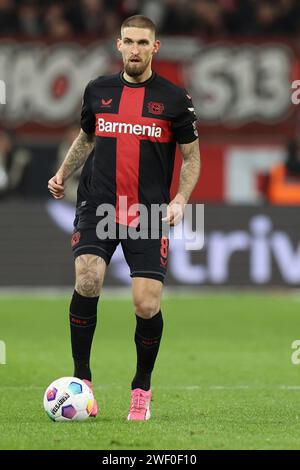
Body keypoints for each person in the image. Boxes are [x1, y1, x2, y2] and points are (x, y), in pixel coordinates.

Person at [48, 15, 200, 421]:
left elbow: (191, 157)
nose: (135, 49)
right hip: (98, 204)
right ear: (118, 45)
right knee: (88, 277)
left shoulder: (174, 99)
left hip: (149, 212)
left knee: (146, 305)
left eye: (142, 43)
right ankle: (83, 381)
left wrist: (182, 197)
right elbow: (87, 136)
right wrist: (64, 173)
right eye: (128, 41)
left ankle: (141, 389)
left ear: (155, 48)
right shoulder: (98, 90)